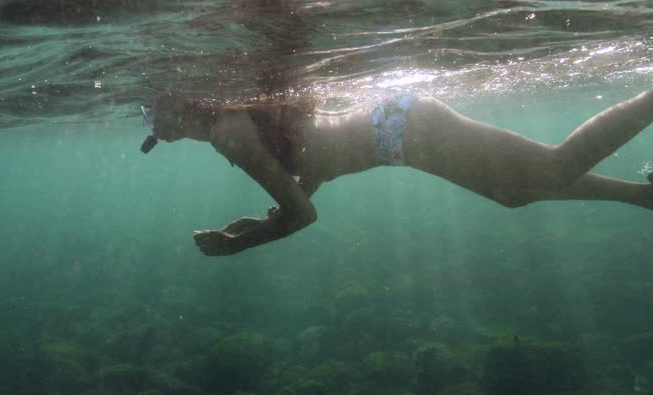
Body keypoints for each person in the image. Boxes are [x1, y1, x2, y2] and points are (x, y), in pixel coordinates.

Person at [143, 88, 653, 256]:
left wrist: (241, 243)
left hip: (404, 130)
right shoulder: (229, 126)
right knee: (515, 194)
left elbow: (303, 216)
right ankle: (643, 197)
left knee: (554, 166)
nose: (150, 124)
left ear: (176, 104)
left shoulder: (227, 134)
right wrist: (272, 216)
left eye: (150, 111)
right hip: (400, 132)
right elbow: (308, 154)